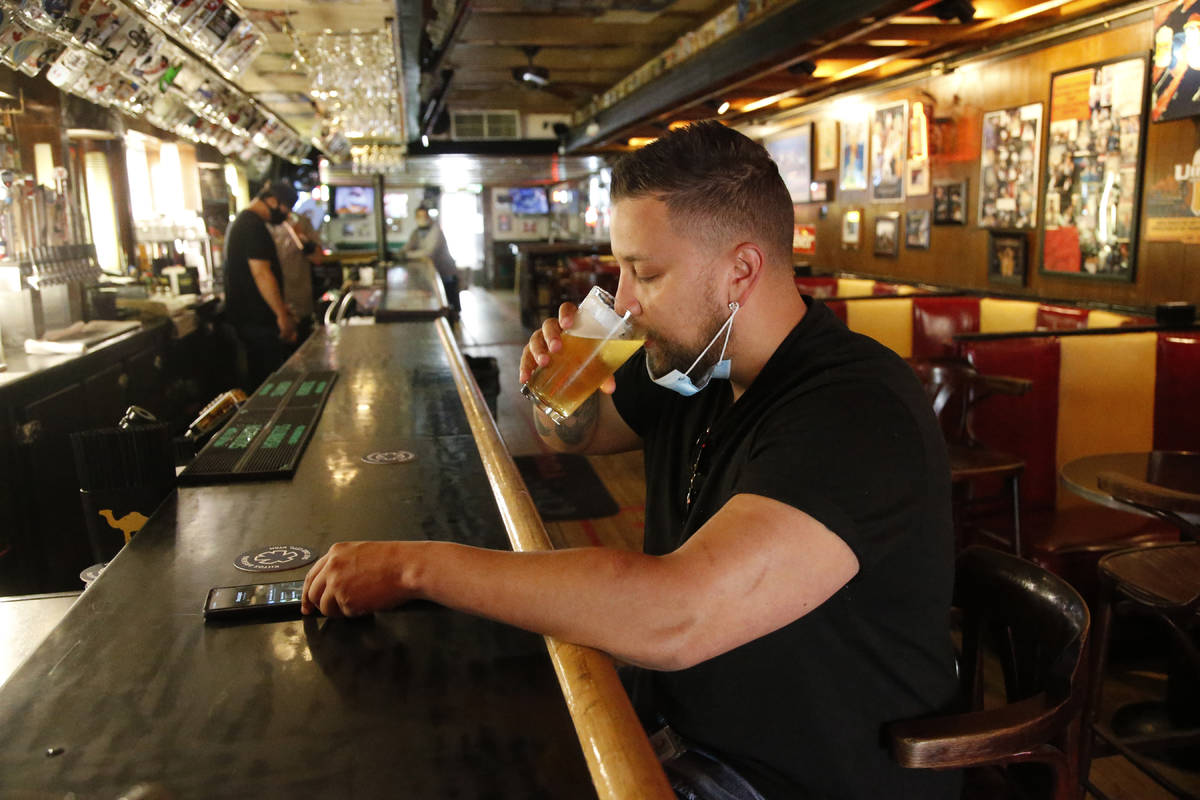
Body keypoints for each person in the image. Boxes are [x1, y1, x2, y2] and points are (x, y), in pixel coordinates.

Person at [301, 122, 959, 799]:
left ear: (741, 271)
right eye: (620, 269)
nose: (622, 301)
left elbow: (676, 615)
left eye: (645, 272)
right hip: (673, 731)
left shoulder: (855, 412)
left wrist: (416, 566)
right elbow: (576, 435)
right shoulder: (698, 360)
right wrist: (563, 384)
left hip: (791, 778)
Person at [223, 180, 301, 389]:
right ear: (273, 200)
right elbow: (261, 273)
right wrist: (281, 315)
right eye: (287, 208)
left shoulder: (242, 222)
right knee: (267, 385)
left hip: (249, 320)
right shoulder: (252, 226)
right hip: (256, 322)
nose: (286, 215)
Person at [268, 206, 323, 342]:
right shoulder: (263, 224)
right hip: (272, 305)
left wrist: (297, 234)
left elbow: (317, 258)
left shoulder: (301, 222)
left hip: (300, 300)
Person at [404, 206, 460, 315]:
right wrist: (399, 253)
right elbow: (408, 246)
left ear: (429, 217)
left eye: (425, 216)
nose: (422, 218)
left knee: (449, 303)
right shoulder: (416, 232)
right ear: (415, 217)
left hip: (445, 271)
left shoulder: (436, 230)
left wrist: (407, 255)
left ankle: (452, 326)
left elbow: (429, 252)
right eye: (419, 216)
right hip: (433, 273)